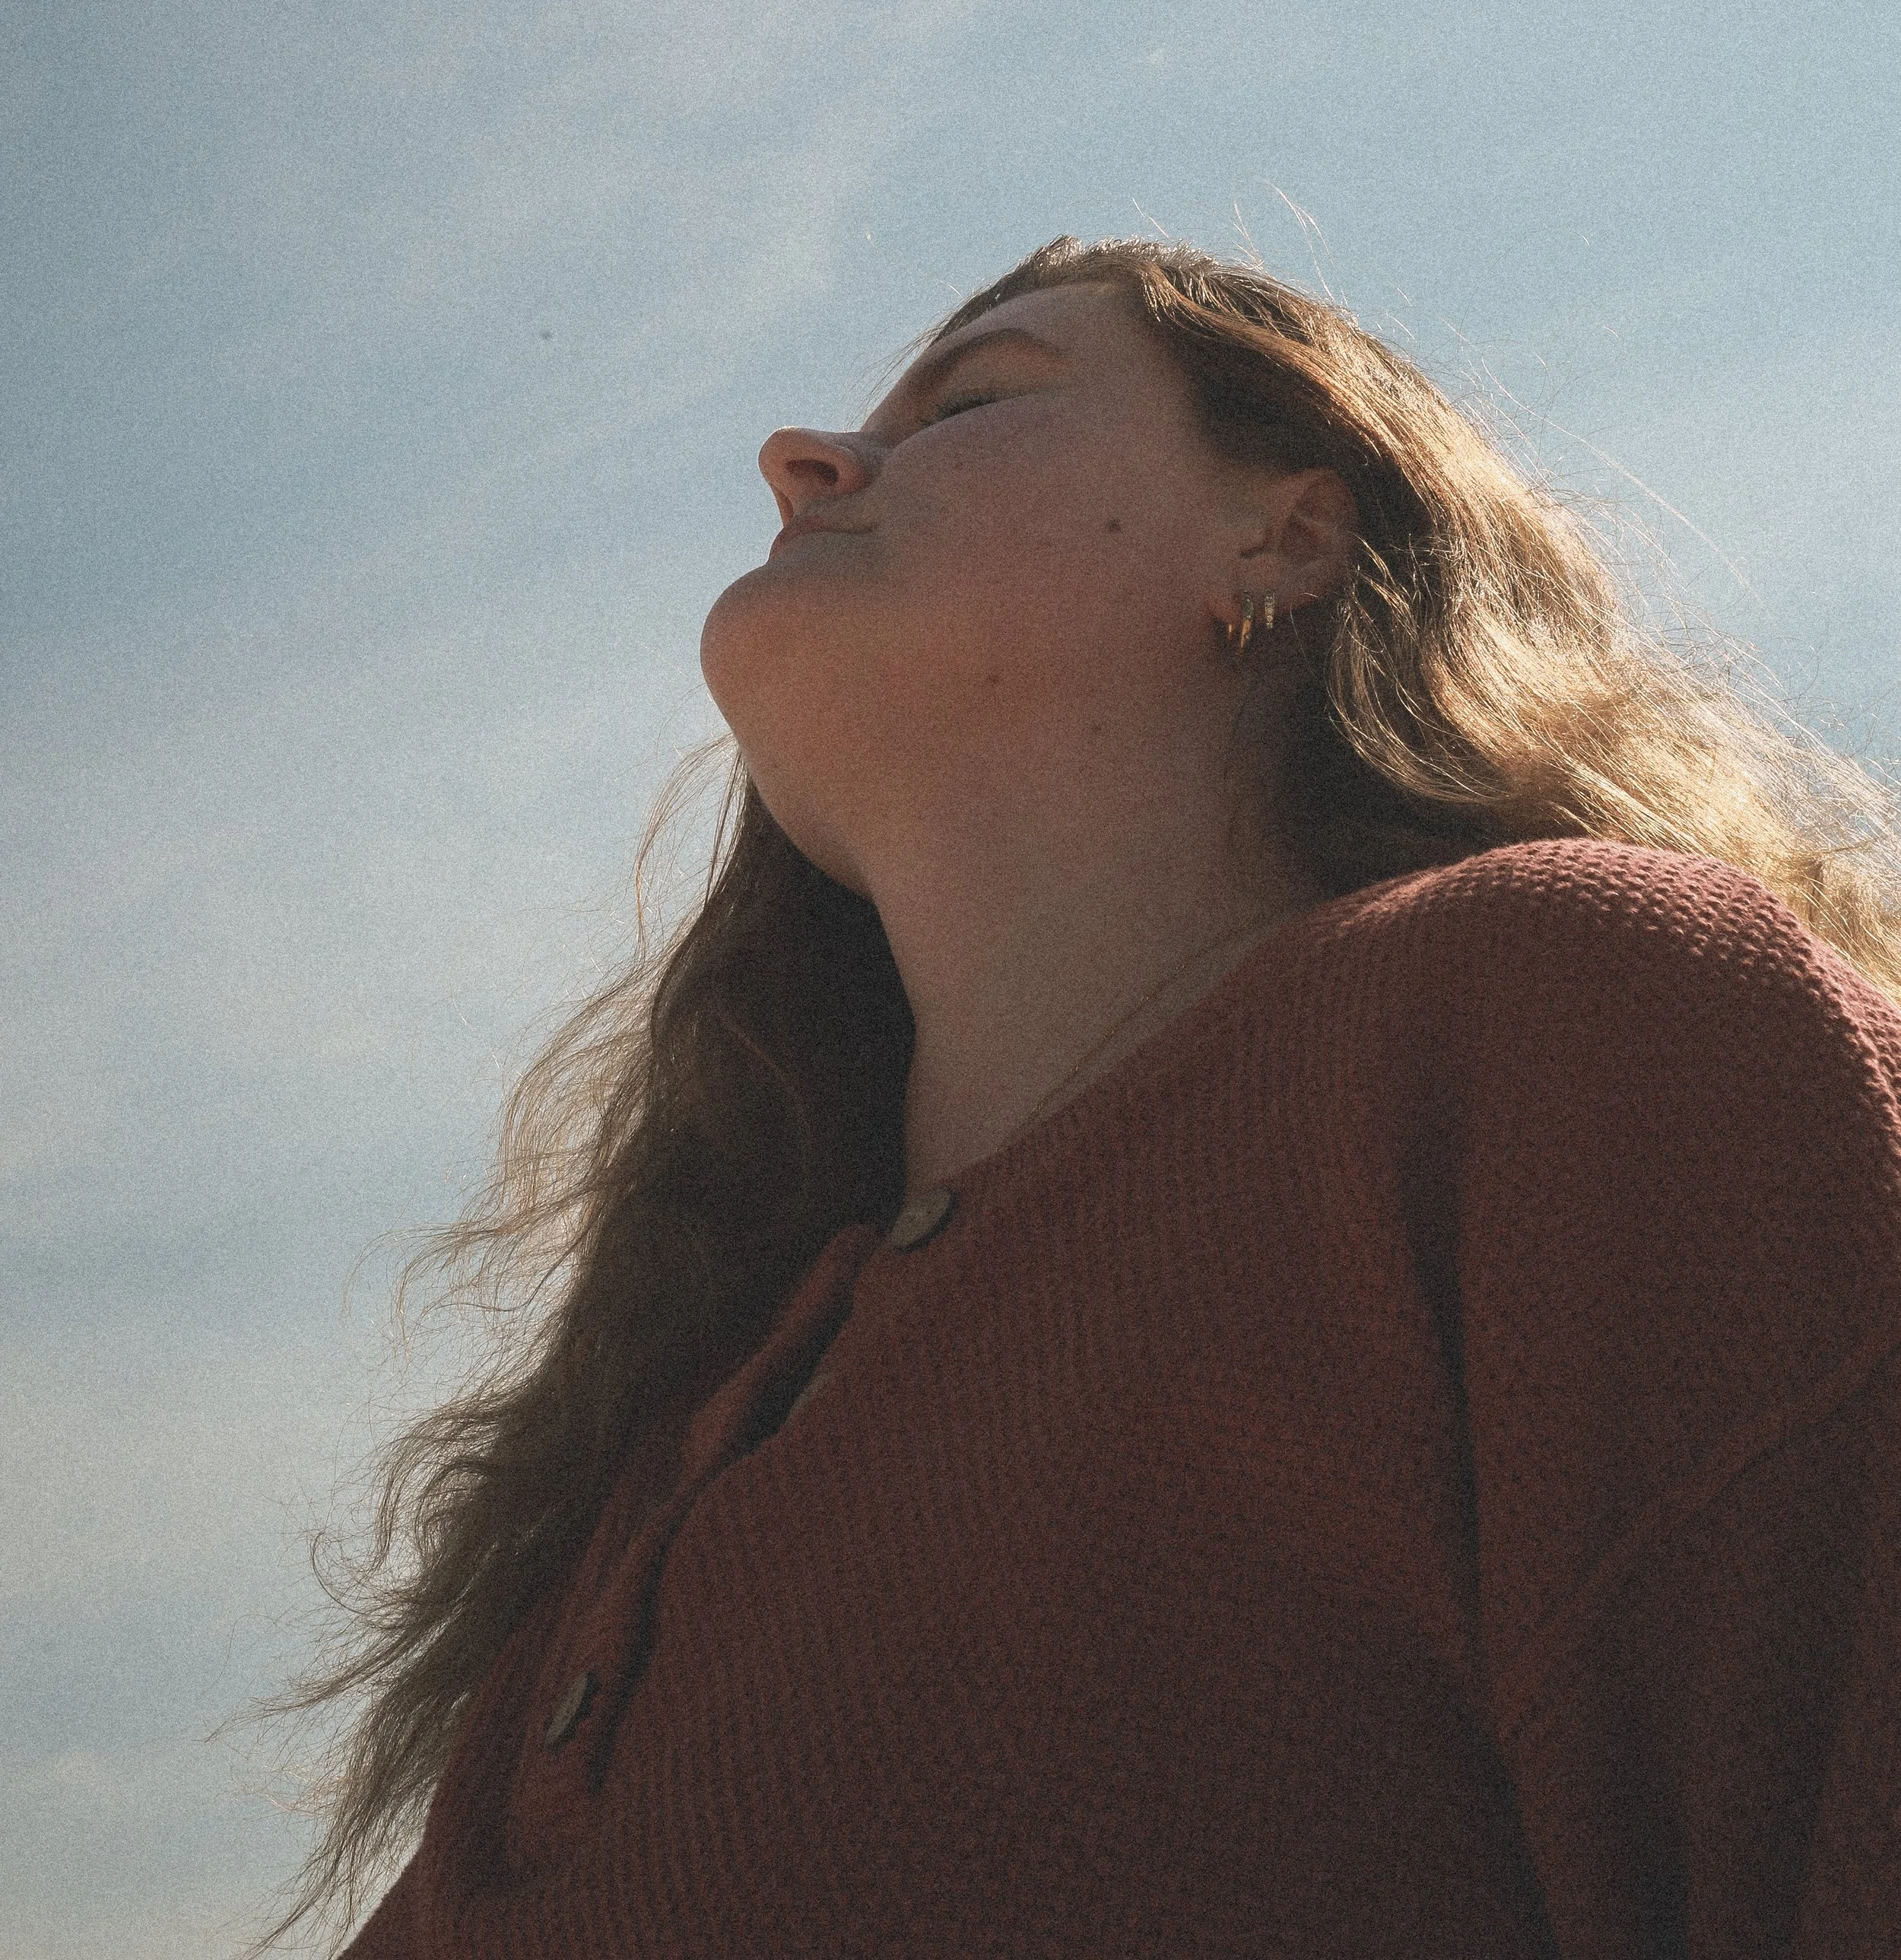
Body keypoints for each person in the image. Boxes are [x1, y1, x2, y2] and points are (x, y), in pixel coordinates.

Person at [277, 237, 1901, 1958]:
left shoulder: (1576, 1009)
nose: (802, 460)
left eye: (971, 399)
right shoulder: (692, 1423)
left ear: (1285, 535)